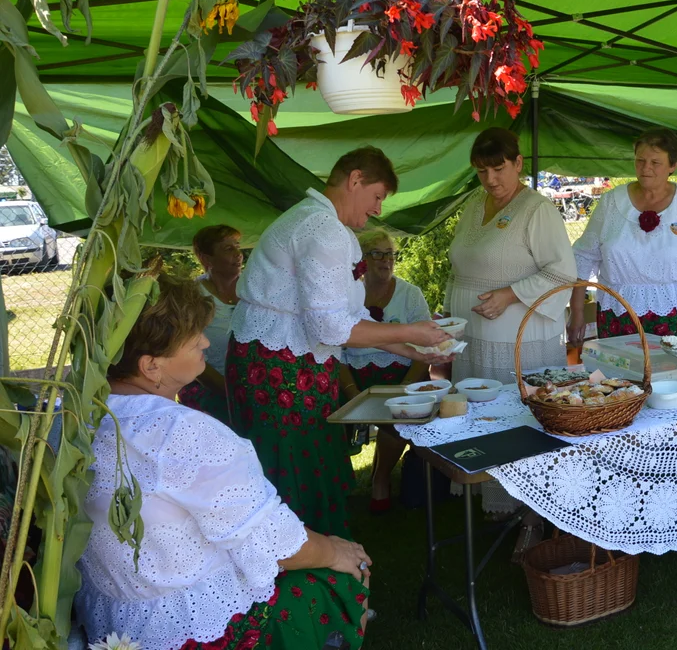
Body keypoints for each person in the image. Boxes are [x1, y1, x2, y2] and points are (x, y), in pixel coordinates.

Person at [77, 275, 372, 650]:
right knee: (351, 572)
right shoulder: (181, 433)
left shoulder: (73, 419)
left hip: (116, 623)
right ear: (151, 366)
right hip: (199, 629)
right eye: (193, 337)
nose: (204, 341)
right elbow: (278, 545)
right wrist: (335, 551)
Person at [227, 147, 450, 535]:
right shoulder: (322, 228)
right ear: (355, 180)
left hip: (280, 360)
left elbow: (351, 319)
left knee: (302, 465)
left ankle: (316, 559)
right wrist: (411, 331)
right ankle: (305, 564)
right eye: (378, 196)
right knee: (292, 469)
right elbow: (332, 328)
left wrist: (415, 351)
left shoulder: (320, 223)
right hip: (278, 367)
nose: (378, 209)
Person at [568, 128, 677, 343]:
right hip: (619, 315)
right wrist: (577, 312)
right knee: (621, 376)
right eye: (640, 160)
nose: (645, 168)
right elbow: (583, 257)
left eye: (655, 162)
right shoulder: (611, 203)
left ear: (673, 166)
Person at [445, 128, 577, 383]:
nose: (490, 179)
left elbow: (563, 272)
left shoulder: (537, 209)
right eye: (482, 171)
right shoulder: (474, 205)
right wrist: (448, 315)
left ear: (518, 164)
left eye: (498, 169)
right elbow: (458, 267)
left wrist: (510, 295)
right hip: (471, 337)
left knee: (517, 409)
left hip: (517, 341)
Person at [340, 228, 433, 514]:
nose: (386, 260)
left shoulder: (410, 294)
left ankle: (380, 478)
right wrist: (353, 392)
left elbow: (427, 346)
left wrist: (404, 386)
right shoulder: (347, 294)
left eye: (390, 254)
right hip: (353, 375)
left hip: (403, 372)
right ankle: (336, 486)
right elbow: (334, 352)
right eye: (377, 253)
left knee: (400, 413)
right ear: (362, 260)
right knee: (322, 411)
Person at [178, 224, 243, 425]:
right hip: (208, 386)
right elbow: (186, 352)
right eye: (228, 249)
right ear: (207, 259)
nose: (238, 254)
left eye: (238, 246)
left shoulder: (253, 289)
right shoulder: (191, 295)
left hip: (252, 384)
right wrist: (231, 393)